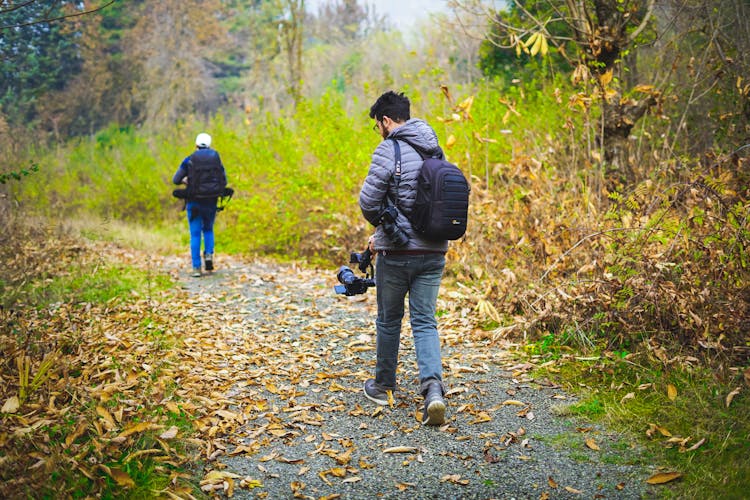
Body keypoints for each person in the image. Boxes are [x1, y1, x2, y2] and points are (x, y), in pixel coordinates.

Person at [358, 91, 449, 426]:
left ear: (385, 121)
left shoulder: (389, 148)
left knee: (389, 320)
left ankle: (383, 387)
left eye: (377, 125)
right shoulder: (435, 148)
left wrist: (385, 224)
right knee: (425, 321)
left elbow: (369, 202)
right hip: (434, 251)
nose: (379, 131)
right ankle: (434, 391)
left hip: (396, 253)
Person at [173, 132, 227, 277]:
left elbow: (175, 179)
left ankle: (197, 268)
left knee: (195, 234)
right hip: (211, 201)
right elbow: (224, 181)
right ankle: (209, 255)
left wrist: (186, 180)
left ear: (196, 145)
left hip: (194, 201)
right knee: (208, 229)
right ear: (209, 145)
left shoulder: (189, 160)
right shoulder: (216, 160)